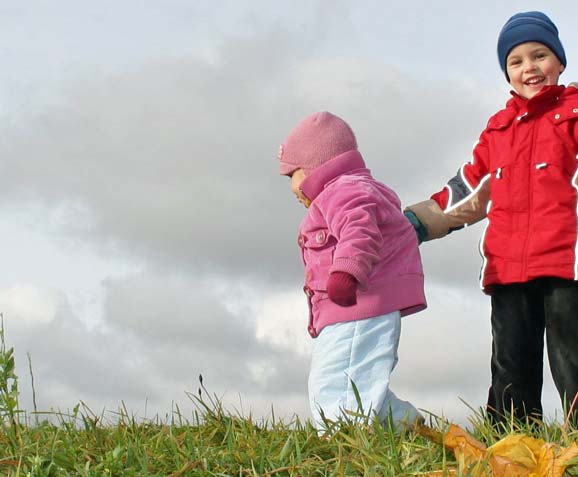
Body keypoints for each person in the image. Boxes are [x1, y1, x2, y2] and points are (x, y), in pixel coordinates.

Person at [405, 11, 578, 425]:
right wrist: (412, 223)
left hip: (565, 263)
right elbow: (466, 190)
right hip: (507, 267)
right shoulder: (498, 130)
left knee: (573, 359)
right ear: (506, 73)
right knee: (510, 368)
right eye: (516, 61)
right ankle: (511, 444)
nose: (529, 68)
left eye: (539, 56)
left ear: (559, 62)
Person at [278, 111, 427, 431]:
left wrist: (346, 272)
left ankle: (344, 447)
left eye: (291, 174)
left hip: (357, 304)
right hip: (347, 309)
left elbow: (359, 230)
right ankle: (403, 423)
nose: (292, 187)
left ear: (313, 165)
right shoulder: (341, 192)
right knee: (356, 379)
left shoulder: (345, 191)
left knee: (335, 382)